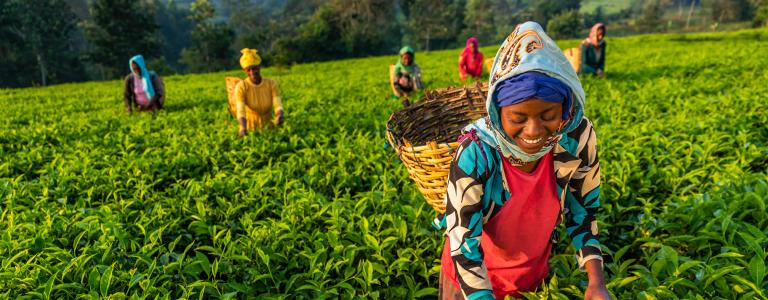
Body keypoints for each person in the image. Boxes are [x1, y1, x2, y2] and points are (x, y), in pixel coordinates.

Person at [434, 22, 611, 300]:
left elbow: (583, 212)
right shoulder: (477, 152)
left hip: (533, 278)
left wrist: (596, 283)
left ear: (565, 109)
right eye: (518, 118)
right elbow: (463, 243)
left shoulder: (575, 137)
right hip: (470, 284)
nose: (533, 131)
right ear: (498, 112)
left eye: (548, 115)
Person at [234, 48, 284, 137]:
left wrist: (279, 116)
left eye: (254, 68)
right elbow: (241, 110)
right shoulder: (241, 87)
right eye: (248, 70)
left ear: (259, 67)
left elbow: (278, 104)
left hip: (269, 127)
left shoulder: (271, 84)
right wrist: (242, 128)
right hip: (250, 129)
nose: (252, 72)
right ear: (245, 71)